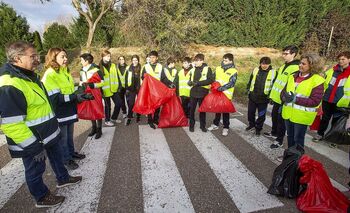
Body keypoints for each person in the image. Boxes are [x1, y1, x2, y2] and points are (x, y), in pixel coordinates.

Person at [0, 41, 81, 208]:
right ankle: (41, 197)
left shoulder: (29, 75)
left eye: (37, 55)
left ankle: (63, 178)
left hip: (48, 133)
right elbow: (11, 124)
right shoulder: (9, 84)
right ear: (17, 58)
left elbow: (41, 107)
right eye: (32, 56)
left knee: (57, 158)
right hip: (33, 140)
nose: (37, 59)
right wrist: (33, 146)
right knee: (35, 170)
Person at [42, 48, 88, 170]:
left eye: (66, 56)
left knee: (69, 136)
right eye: (62, 56)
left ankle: (71, 153)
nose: (66, 59)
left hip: (70, 110)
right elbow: (55, 98)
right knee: (63, 138)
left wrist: (80, 94)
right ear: (53, 58)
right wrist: (75, 96)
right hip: (60, 112)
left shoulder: (64, 71)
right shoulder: (50, 74)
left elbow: (70, 91)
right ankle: (66, 160)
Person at [281, 53, 325, 151]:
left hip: (301, 116)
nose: (300, 65)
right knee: (290, 137)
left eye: (304, 64)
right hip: (288, 113)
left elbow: (315, 101)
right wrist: (283, 97)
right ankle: (290, 157)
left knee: (298, 139)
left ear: (312, 66)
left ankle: (298, 160)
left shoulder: (317, 80)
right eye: (300, 63)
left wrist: (295, 99)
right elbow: (284, 91)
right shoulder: (293, 76)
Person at [313, 51, 350, 146]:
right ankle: (320, 134)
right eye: (339, 59)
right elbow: (324, 81)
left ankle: (334, 140)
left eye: (343, 59)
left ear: (349, 60)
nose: (340, 61)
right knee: (324, 119)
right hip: (327, 99)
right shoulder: (332, 70)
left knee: (337, 121)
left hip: (341, 102)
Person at [266, 45, 300, 149]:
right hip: (277, 98)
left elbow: (290, 86)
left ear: (293, 54)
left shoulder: (295, 68)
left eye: (286, 53)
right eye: (283, 53)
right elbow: (277, 82)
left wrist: (285, 99)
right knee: (275, 117)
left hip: (284, 100)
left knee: (281, 121)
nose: (283, 55)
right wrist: (272, 96)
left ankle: (279, 140)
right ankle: (274, 132)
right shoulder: (284, 65)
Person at [141, 50, 173, 129]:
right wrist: (145, 77)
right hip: (149, 90)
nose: (152, 59)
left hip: (157, 90)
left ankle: (155, 119)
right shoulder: (146, 67)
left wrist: (170, 83)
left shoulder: (160, 66)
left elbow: (163, 78)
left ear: (157, 58)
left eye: (153, 57)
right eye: (150, 57)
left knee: (158, 105)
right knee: (150, 106)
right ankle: (150, 120)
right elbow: (142, 77)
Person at [207, 53, 238, 136]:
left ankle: (226, 127)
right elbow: (212, 78)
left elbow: (232, 83)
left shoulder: (233, 71)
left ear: (231, 61)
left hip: (226, 94)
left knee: (225, 111)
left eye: (226, 60)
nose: (224, 62)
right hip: (217, 93)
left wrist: (220, 88)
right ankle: (215, 124)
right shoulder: (218, 69)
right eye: (223, 60)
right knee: (217, 109)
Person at [245, 57, 275, 136]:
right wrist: (248, 89)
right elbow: (251, 80)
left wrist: (271, 96)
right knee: (250, 113)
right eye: (262, 64)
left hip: (264, 99)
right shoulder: (255, 70)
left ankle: (258, 128)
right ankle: (251, 125)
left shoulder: (273, 73)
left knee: (261, 115)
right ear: (260, 63)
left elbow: (274, 86)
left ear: (269, 64)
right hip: (253, 96)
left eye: (266, 64)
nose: (264, 65)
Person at [80, 53, 105, 139]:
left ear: (87, 61)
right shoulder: (81, 70)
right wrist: (81, 85)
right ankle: (93, 127)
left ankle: (99, 129)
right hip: (86, 93)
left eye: (82, 60)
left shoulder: (96, 70)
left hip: (95, 93)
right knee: (90, 110)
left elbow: (103, 82)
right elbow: (81, 81)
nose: (81, 62)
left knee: (97, 110)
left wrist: (93, 85)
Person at [188, 53, 214, 132]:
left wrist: (198, 83)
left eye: (198, 61)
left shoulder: (207, 69)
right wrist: (189, 82)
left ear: (202, 61)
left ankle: (202, 126)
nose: (196, 62)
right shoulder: (192, 69)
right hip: (193, 93)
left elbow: (210, 80)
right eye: (195, 61)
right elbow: (190, 79)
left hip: (203, 93)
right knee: (191, 110)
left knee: (202, 110)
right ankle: (191, 126)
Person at [99, 50, 123, 126]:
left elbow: (117, 76)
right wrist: (100, 91)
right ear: (103, 57)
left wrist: (119, 86)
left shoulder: (113, 65)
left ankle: (113, 118)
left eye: (109, 56)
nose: (109, 57)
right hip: (105, 90)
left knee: (119, 103)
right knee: (108, 106)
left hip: (114, 89)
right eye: (107, 56)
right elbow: (98, 80)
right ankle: (107, 120)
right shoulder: (99, 67)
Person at [125, 55, 142, 125]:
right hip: (131, 88)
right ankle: (129, 116)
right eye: (133, 60)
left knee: (139, 102)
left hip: (139, 88)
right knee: (131, 103)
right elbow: (126, 79)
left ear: (138, 60)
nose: (135, 61)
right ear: (131, 61)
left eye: (136, 60)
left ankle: (138, 115)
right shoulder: (128, 68)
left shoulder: (141, 68)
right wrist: (127, 88)